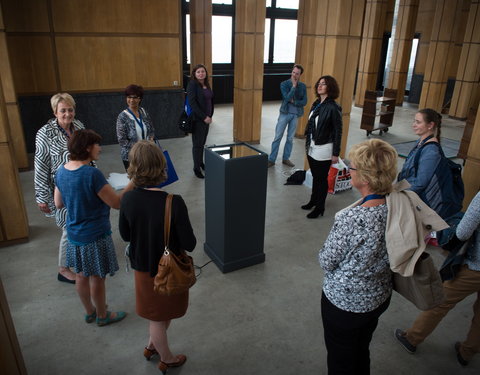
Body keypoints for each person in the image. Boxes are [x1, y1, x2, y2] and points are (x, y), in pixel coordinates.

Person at [319, 139, 397, 374]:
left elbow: (326, 261)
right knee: (361, 349)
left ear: (365, 178)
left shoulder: (351, 219)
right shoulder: (396, 205)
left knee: (341, 359)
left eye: (351, 167)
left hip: (346, 305)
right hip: (379, 296)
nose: (348, 170)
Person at [119, 140, 196, 373]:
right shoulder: (174, 203)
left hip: (142, 268)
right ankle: (167, 359)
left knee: (158, 313)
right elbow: (189, 244)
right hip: (168, 270)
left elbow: (125, 235)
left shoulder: (128, 199)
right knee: (158, 317)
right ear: (161, 168)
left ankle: (152, 346)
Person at [54, 129, 133, 326]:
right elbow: (116, 203)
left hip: (74, 234)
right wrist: (132, 183)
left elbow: (58, 203)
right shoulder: (92, 174)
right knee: (97, 278)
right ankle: (102, 315)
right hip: (95, 235)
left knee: (81, 275)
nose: (100, 148)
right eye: (97, 145)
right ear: (87, 148)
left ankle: (89, 312)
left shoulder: (61, 171)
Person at [395, 191, 480, 367]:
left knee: (441, 301)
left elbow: (463, 232)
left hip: (475, 266)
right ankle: (467, 352)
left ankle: (412, 338)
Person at [34, 92, 85, 284]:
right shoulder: (44, 133)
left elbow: (87, 154)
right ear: (55, 112)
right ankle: (63, 269)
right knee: (68, 228)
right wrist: (41, 196)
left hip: (82, 187)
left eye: (70, 109)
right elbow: (40, 166)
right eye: (63, 110)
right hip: (61, 191)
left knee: (77, 226)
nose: (67, 114)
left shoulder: (79, 126)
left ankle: (77, 258)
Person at [397, 108, 459, 219]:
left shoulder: (431, 151)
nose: (414, 125)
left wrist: (397, 191)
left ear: (430, 125)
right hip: (410, 193)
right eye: (414, 121)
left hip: (422, 203)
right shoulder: (421, 142)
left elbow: (420, 183)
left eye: (418, 122)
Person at [302, 75, 343, 218]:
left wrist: (335, 154)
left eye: (323, 84)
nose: (320, 86)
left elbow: (338, 132)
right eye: (319, 84)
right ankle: (313, 200)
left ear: (330, 87)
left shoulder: (333, 107)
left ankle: (320, 207)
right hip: (312, 146)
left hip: (324, 148)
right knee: (315, 176)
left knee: (321, 178)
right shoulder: (317, 103)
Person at [267, 64, 307, 168]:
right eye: (293, 72)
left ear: (300, 75)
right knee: (278, 137)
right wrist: (293, 87)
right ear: (291, 72)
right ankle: (271, 159)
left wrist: (295, 102)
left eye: (297, 74)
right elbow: (287, 98)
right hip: (284, 114)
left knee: (290, 138)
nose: (294, 75)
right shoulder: (284, 84)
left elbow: (305, 101)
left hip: (295, 115)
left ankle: (286, 158)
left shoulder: (302, 86)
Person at [116, 84, 155, 170]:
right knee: (136, 181)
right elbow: (122, 141)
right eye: (129, 97)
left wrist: (151, 139)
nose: (131, 100)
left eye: (134, 97)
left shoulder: (143, 112)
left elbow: (151, 129)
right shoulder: (122, 116)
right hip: (131, 156)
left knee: (148, 180)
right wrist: (140, 147)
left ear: (140, 99)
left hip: (147, 154)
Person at [187, 64, 214, 179]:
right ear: (194, 74)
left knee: (202, 143)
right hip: (198, 119)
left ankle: (200, 162)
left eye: (203, 71)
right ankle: (196, 168)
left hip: (207, 118)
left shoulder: (206, 84)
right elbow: (193, 104)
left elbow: (210, 101)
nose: (201, 73)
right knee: (197, 145)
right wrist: (204, 117)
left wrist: (210, 115)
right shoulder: (192, 85)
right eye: (198, 72)